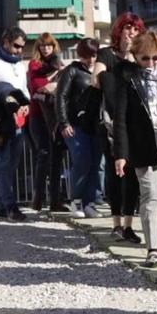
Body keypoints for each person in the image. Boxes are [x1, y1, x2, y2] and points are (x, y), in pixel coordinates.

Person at [111, 31, 157, 267]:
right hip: (142, 143)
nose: (150, 63)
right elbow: (120, 118)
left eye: (155, 58)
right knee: (151, 195)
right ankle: (152, 248)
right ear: (135, 57)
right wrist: (120, 154)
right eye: (145, 58)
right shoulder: (127, 78)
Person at [95, 12, 144, 243]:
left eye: (135, 30)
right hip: (110, 121)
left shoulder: (139, 57)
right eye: (128, 28)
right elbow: (97, 79)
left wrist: (132, 56)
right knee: (116, 174)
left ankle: (128, 224)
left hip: (134, 121)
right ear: (119, 30)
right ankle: (115, 223)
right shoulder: (106, 54)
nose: (131, 33)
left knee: (133, 175)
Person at [0, 26, 30, 222]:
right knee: (2, 164)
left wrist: (25, 104)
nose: (19, 50)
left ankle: (1, 206)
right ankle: (10, 207)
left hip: (18, 121)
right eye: (17, 46)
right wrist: (6, 95)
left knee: (12, 164)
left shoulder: (19, 65)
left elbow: (25, 90)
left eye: (22, 47)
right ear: (6, 42)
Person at [56, 38, 102, 219]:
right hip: (75, 125)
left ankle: (90, 202)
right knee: (82, 160)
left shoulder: (101, 71)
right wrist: (64, 122)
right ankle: (76, 200)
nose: (90, 59)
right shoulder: (72, 71)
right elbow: (61, 97)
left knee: (95, 163)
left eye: (93, 55)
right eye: (86, 56)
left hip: (95, 125)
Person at [26, 32, 66, 212]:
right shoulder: (35, 64)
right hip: (38, 116)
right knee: (43, 154)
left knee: (57, 157)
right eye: (43, 46)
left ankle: (55, 199)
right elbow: (38, 88)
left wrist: (55, 83)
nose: (46, 48)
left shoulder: (60, 64)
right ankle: (38, 197)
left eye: (49, 45)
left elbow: (60, 87)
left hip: (56, 116)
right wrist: (55, 79)